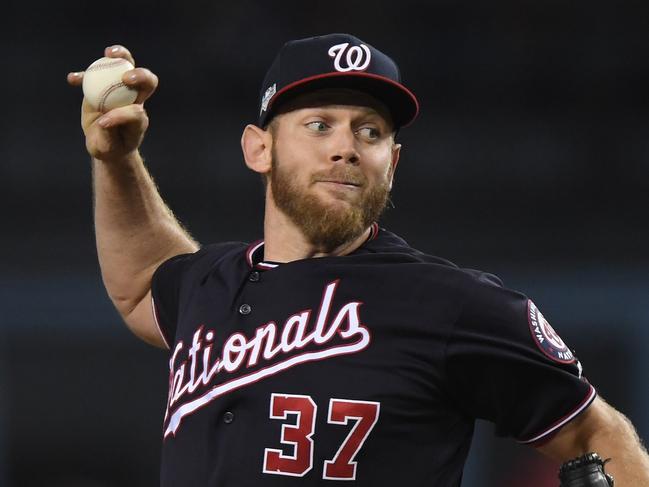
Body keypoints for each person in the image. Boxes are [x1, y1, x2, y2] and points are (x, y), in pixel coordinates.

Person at [68, 34, 649, 486]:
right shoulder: (207, 285)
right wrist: (117, 161)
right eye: (319, 125)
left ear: (392, 161)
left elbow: (595, 434)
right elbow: (143, 284)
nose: (346, 146)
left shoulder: (451, 304)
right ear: (259, 148)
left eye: (368, 131)